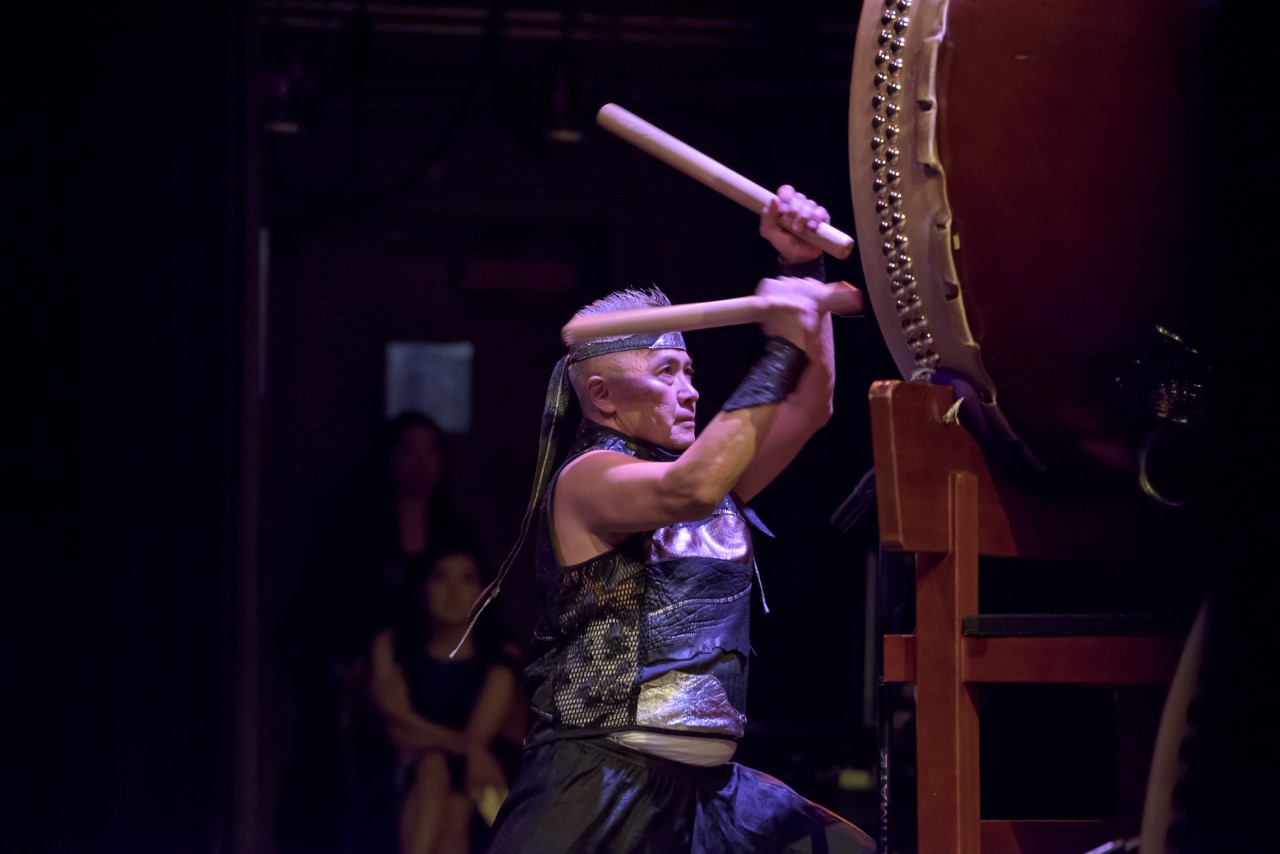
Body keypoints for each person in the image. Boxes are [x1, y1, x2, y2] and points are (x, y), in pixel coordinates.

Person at [484, 186, 876, 852]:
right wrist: (780, 346)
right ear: (603, 397)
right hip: (601, 778)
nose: (691, 390)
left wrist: (800, 271)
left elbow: (812, 405)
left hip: (709, 795)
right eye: (668, 372)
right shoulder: (589, 481)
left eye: (691, 371)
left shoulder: (715, 476)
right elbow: (689, 488)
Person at [366, 547, 523, 854]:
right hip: (407, 776)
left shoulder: (499, 657)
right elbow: (398, 738)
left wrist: (404, 717)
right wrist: (462, 747)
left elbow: (476, 739)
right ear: (423, 588)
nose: (453, 591)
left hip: (480, 778)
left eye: (466, 580)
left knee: (453, 804)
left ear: (483, 591)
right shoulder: (392, 647)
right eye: (440, 578)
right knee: (433, 766)